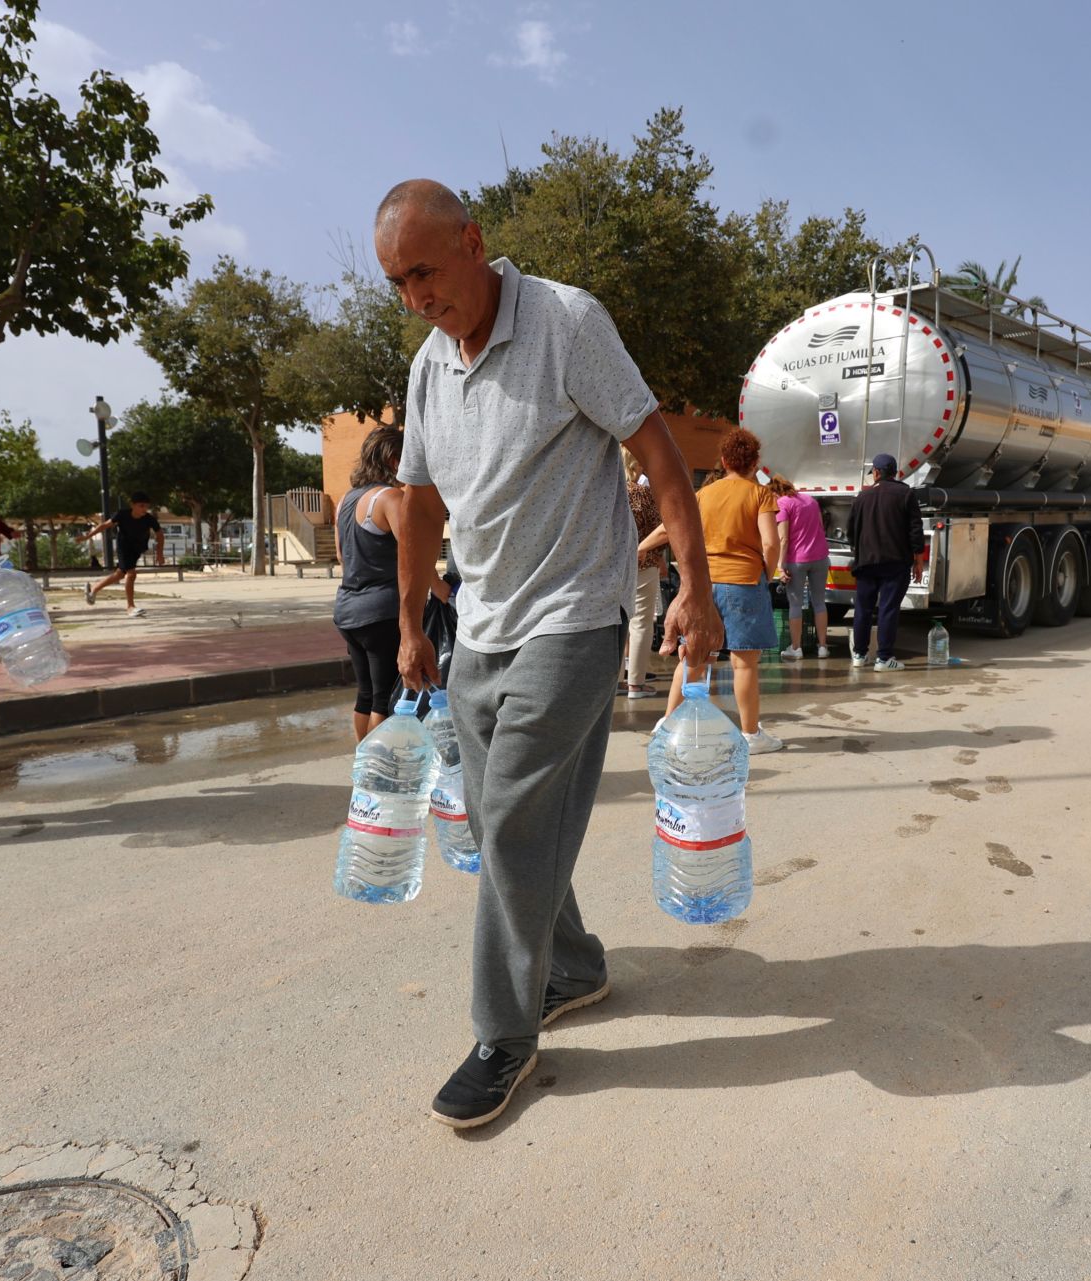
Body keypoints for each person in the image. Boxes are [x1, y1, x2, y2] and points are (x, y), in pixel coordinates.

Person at [376, 179, 721, 1129]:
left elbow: (656, 451)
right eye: (396, 282)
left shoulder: (569, 321)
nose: (415, 297)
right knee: (495, 825)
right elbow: (419, 506)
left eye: (425, 271)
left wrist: (692, 584)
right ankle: (571, 964)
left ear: (473, 242)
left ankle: (504, 1031)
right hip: (482, 623)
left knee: (519, 816)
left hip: (576, 615)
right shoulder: (428, 366)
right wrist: (411, 623)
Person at [655, 427, 785, 753]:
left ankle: (668, 722)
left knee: (693, 657)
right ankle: (751, 735)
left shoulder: (704, 494)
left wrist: (640, 547)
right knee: (744, 664)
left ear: (724, 460)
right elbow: (771, 542)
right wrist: (765, 574)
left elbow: (670, 530)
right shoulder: (761, 495)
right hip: (743, 583)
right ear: (755, 462)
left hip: (705, 584)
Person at [334, 425, 452, 741]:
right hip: (382, 611)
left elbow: (343, 558)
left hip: (347, 610)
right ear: (391, 459)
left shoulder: (346, 500)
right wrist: (439, 587)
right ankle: (382, 766)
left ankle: (364, 762)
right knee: (386, 696)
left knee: (366, 693)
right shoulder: (391, 498)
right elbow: (413, 552)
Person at [845, 453, 926, 671]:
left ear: (877, 473)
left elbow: (850, 532)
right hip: (895, 562)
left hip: (866, 563)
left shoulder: (861, 497)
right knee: (888, 609)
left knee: (862, 609)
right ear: (895, 473)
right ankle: (883, 659)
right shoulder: (906, 494)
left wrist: (858, 551)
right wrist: (918, 560)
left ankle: (859, 656)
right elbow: (915, 531)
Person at [768, 473, 830, 660]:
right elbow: (820, 526)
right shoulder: (810, 500)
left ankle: (796, 648)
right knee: (819, 602)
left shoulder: (782, 504)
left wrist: (780, 565)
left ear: (775, 492)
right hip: (820, 557)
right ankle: (823, 647)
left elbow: (784, 538)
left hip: (797, 560)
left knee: (795, 604)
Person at [78, 492, 164, 617]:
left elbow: (160, 535)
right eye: (141, 506)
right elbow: (104, 525)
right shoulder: (122, 514)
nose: (144, 509)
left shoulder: (149, 519)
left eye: (146, 506)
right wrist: (87, 536)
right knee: (131, 573)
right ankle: (130, 607)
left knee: (119, 574)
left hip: (137, 548)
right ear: (133, 505)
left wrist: (160, 554)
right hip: (124, 546)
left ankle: (94, 590)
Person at [620, 449, 662, 700]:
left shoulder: (607, 491)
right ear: (635, 466)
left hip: (611, 565)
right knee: (641, 623)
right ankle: (635, 683)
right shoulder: (642, 494)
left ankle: (613, 682)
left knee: (616, 621)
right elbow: (660, 529)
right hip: (643, 564)